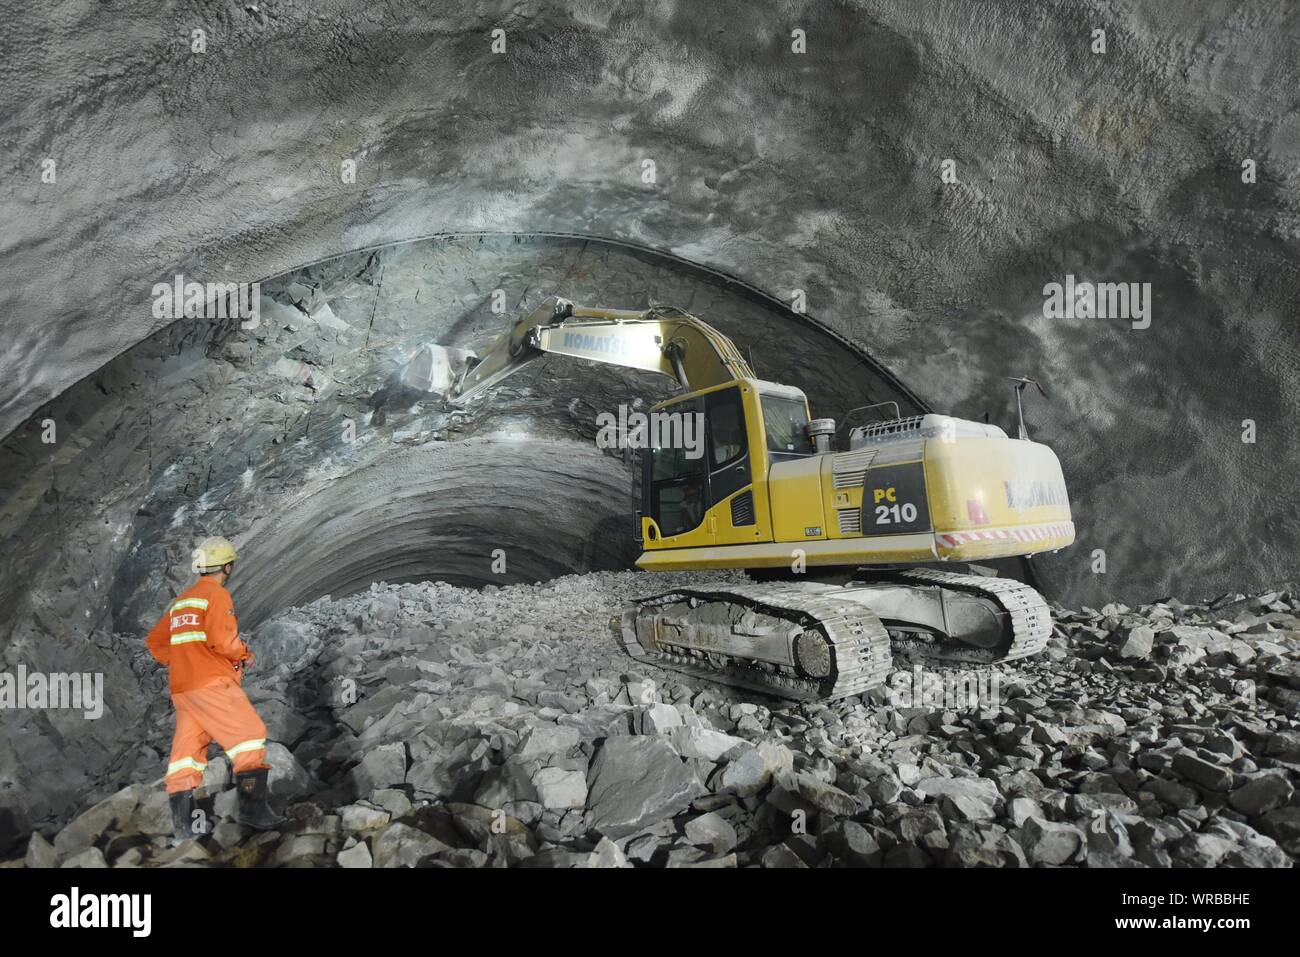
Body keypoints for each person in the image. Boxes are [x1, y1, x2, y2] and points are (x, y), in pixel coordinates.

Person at [146, 536, 284, 844]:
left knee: (187, 754)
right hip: (211, 683)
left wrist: (183, 659)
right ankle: (252, 812)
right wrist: (244, 654)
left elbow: (155, 642)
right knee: (250, 735)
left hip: (184, 689)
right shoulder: (216, 595)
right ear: (228, 566)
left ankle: (184, 830)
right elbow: (223, 642)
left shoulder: (182, 602)